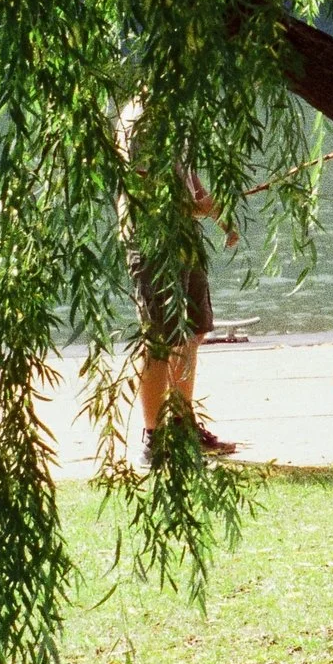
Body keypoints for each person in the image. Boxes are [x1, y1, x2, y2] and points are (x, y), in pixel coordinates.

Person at [117, 94, 239, 459]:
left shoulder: (174, 107)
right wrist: (198, 208)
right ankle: (154, 438)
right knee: (159, 339)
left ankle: (183, 426)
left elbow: (186, 172)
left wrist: (216, 214)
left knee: (192, 332)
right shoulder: (141, 119)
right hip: (152, 241)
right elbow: (143, 192)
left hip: (185, 237)